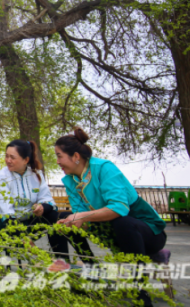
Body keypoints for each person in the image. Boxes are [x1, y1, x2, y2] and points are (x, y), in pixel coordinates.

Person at [54, 127, 167, 306]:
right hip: (113, 232)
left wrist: (82, 216)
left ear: (76, 156)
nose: (58, 161)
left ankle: (141, 293)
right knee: (64, 217)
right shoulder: (71, 181)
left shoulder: (104, 168)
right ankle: (89, 271)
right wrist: (73, 222)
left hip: (148, 233)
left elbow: (119, 208)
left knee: (123, 222)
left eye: (59, 156)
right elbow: (80, 217)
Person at [0, 140, 64, 253]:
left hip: (26, 222)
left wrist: (42, 207)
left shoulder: (37, 174)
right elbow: (7, 212)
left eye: (12, 157)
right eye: (6, 156)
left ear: (26, 160)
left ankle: (61, 258)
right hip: (3, 224)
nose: (8, 160)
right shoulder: (1, 177)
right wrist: (22, 237)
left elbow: (47, 200)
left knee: (54, 216)